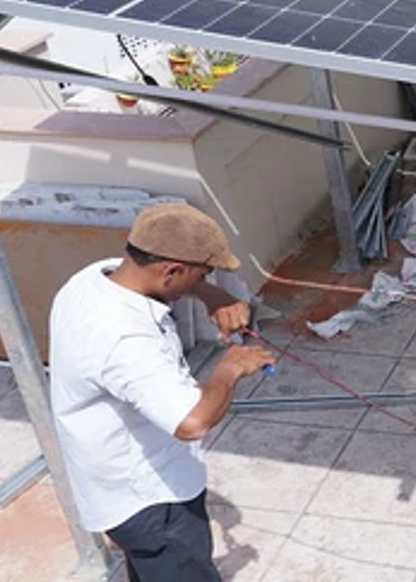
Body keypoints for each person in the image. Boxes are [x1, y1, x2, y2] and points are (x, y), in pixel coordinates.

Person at [48, 203, 275, 581]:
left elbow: (158, 272)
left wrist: (209, 294)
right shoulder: (122, 337)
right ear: (171, 270)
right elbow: (192, 422)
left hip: (121, 488)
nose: (207, 280)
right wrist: (231, 368)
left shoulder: (93, 278)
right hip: (151, 500)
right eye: (203, 274)